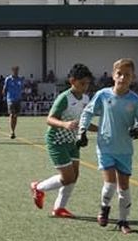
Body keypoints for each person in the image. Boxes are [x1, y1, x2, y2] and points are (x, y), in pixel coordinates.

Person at [79, 58, 138, 233]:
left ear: (133, 77)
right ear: (113, 75)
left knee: (124, 186)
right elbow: (87, 112)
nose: (122, 77)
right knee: (110, 184)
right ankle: (104, 207)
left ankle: (123, 221)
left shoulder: (134, 100)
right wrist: (81, 131)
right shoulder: (103, 95)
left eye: (127, 74)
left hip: (125, 149)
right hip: (106, 147)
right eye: (119, 73)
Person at [29, 63, 94, 219]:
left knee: (74, 176)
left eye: (87, 83)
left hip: (72, 142)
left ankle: (59, 208)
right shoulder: (64, 98)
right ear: (72, 80)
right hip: (57, 141)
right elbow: (49, 119)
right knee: (68, 178)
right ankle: (38, 187)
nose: (85, 87)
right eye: (82, 83)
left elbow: (83, 122)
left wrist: (102, 129)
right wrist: (64, 124)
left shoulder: (85, 99)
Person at [3, 66, 27, 139]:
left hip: (18, 99)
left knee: (16, 116)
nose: (16, 71)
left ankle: (14, 130)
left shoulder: (20, 79)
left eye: (17, 70)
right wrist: (4, 96)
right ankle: (12, 131)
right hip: (10, 99)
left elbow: (23, 88)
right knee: (12, 115)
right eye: (15, 70)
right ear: (12, 71)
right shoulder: (8, 79)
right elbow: (5, 88)